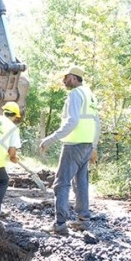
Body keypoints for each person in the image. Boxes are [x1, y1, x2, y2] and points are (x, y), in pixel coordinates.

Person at [40, 65, 101, 236]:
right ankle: (83, 220)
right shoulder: (90, 95)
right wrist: (94, 146)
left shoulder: (75, 94)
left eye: (66, 77)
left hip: (74, 144)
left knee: (62, 183)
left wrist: (50, 139)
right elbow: (97, 122)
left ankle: (60, 224)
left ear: (74, 78)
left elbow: (72, 121)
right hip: (87, 144)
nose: (64, 80)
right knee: (81, 183)